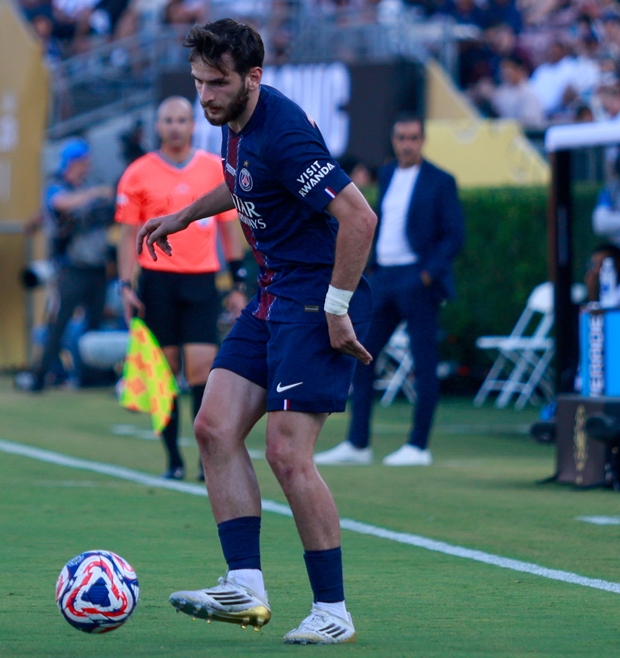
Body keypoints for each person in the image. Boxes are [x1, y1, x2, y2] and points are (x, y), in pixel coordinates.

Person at [137, 19, 376, 644]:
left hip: (314, 297)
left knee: (286, 453)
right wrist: (185, 214)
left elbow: (359, 217)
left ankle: (333, 611)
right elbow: (244, 181)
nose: (205, 97)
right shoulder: (238, 125)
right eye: (198, 83)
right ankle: (244, 585)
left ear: (253, 77)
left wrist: (336, 305)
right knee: (213, 427)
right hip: (275, 293)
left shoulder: (286, 131)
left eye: (217, 84)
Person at [316, 114, 465, 468]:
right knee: (361, 355)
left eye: (413, 138)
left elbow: (454, 235)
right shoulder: (386, 175)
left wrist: (428, 275)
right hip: (384, 278)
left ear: (423, 140)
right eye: (401, 138)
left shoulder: (441, 181)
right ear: (394, 140)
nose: (407, 144)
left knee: (424, 363)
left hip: (418, 278)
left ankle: (418, 446)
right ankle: (358, 443)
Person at [116, 95, 245, 481]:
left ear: (194, 125)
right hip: (156, 282)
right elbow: (127, 235)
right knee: (165, 370)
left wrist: (237, 281)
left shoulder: (213, 169)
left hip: (201, 280)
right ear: (158, 126)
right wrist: (126, 284)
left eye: (182, 120)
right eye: (168, 120)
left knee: (203, 368)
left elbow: (229, 227)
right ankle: (173, 458)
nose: (175, 126)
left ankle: (207, 455)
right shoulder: (138, 173)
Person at [25, 139, 115, 391]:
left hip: (96, 266)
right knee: (59, 321)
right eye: (83, 161)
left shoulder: (87, 186)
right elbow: (59, 203)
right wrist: (95, 195)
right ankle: (40, 374)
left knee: (94, 324)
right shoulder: (58, 186)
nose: (87, 165)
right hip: (71, 267)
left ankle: (91, 374)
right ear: (73, 162)